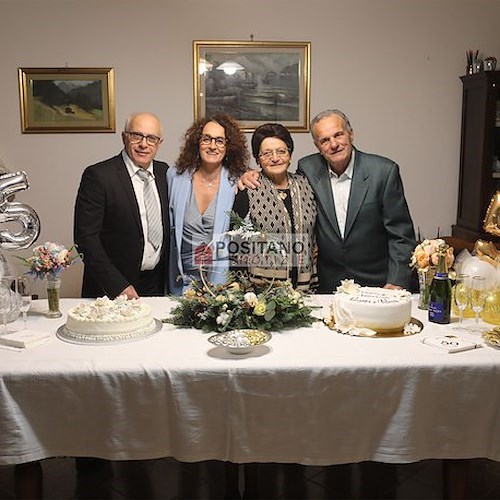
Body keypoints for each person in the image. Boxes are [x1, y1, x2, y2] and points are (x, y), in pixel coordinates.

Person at [240, 109, 416, 292]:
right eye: (324, 140)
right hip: (326, 285)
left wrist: (397, 279)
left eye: (338, 135)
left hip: (376, 283)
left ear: (351, 134)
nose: (334, 144)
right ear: (317, 146)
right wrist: (250, 174)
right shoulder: (308, 169)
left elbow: (401, 235)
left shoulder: (383, 172)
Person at [74, 112, 170, 299]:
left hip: (157, 286)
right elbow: (86, 238)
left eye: (151, 138)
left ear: (159, 143)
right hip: (112, 289)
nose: (144, 144)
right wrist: (117, 285)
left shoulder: (165, 173)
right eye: (137, 136)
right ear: (124, 137)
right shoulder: (99, 176)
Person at [168, 113, 249, 295]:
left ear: (229, 146)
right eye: (207, 139)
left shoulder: (237, 182)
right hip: (181, 282)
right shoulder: (175, 178)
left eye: (220, 141)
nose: (213, 146)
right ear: (197, 142)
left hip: (221, 285)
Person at [232, 122, 318, 291]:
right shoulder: (248, 189)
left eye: (281, 151)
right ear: (258, 159)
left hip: (306, 287)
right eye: (267, 153)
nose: (275, 158)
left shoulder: (306, 184)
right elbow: (236, 244)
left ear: (290, 154)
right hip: (261, 293)